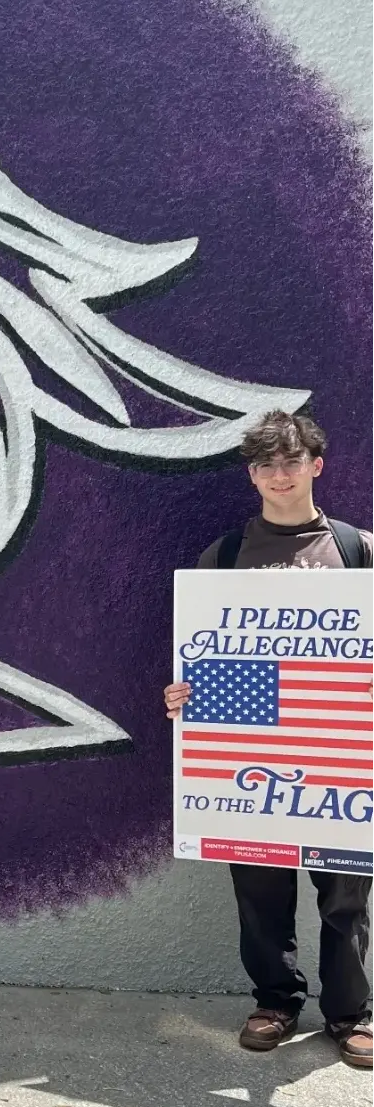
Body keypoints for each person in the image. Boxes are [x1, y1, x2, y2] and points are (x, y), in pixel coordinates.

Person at [164, 410, 373, 1070]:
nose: (280, 476)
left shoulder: (357, 549)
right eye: (266, 465)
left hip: (340, 753)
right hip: (249, 757)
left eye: (292, 462)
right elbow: (210, 657)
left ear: (317, 464)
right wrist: (185, 695)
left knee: (346, 894)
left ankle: (352, 1015)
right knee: (258, 888)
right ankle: (276, 1002)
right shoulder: (223, 557)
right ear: (252, 475)